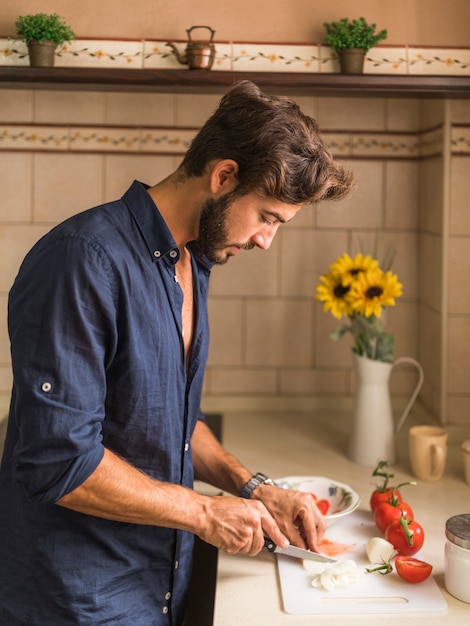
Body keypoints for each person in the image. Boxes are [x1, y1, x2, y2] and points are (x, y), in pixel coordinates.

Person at [0, 80, 354, 625]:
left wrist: (255, 488)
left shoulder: (191, 262)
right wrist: (206, 513)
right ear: (224, 176)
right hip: (81, 601)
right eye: (267, 217)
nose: (266, 241)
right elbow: (59, 461)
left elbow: (168, 420)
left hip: (159, 583)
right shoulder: (81, 262)